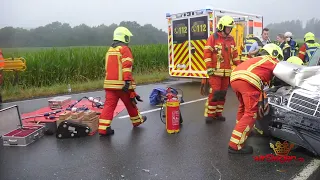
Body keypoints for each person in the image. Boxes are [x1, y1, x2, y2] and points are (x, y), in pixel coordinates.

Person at [228, 43, 283, 154]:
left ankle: (242, 132)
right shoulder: (271, 60)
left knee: (243, 108)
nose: (277, 60)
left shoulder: (257, 59)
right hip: (248, 81)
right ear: (274, 53)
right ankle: (235, 145)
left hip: (235, 78)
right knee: (251, 113)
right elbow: (283, 70)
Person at [98, 26, 147, 136]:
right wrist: (127, 82)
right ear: (124, 37)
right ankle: (137, 121)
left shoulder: (110, 50)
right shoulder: (124, 49)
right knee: (131, 104)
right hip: (122, 85)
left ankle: (103, 128)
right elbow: (127, 66)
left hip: (109, 85)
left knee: (109, 106)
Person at [202, 15, 241, 123]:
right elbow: (207, 53)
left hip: (226, 73)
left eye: (230, 28)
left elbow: (235, 55)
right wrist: (209, 67)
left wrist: (240, 66)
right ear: (221, 27)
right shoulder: (213, 38)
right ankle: (210, 115)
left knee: (222, 94)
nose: (229, 29)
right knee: (215, 93)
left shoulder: (231, 39)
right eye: (228, 27)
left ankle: (218, 114)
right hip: (215, 72)